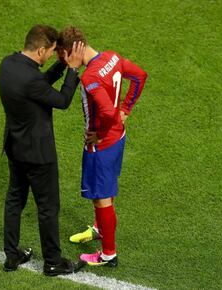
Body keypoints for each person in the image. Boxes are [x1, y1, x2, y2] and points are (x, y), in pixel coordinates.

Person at [0, 24, 86, 276]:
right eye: (51, 52)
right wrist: (73, 68)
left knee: (15, 200)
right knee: (48, 208)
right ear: (40, 51)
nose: (50, 56)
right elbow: (62, 100)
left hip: (15, 147)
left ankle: (12, 255)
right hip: (37, 155)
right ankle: (53, 262)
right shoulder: (31, 79)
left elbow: (38, 87)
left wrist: (60, 66)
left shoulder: (8, 64)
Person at [56, 26, 148, 267]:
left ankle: (108, 254)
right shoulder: (112, 57)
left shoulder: (90, 77)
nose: (64, 62)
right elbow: (140, 76)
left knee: (101, 198)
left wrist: (100, 134)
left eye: (62, 56)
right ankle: (99, 228)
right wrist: (126, 109)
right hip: (119, 138)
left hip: (102, 146)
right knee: (104, 192)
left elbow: (107, 112)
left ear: (71, 51)